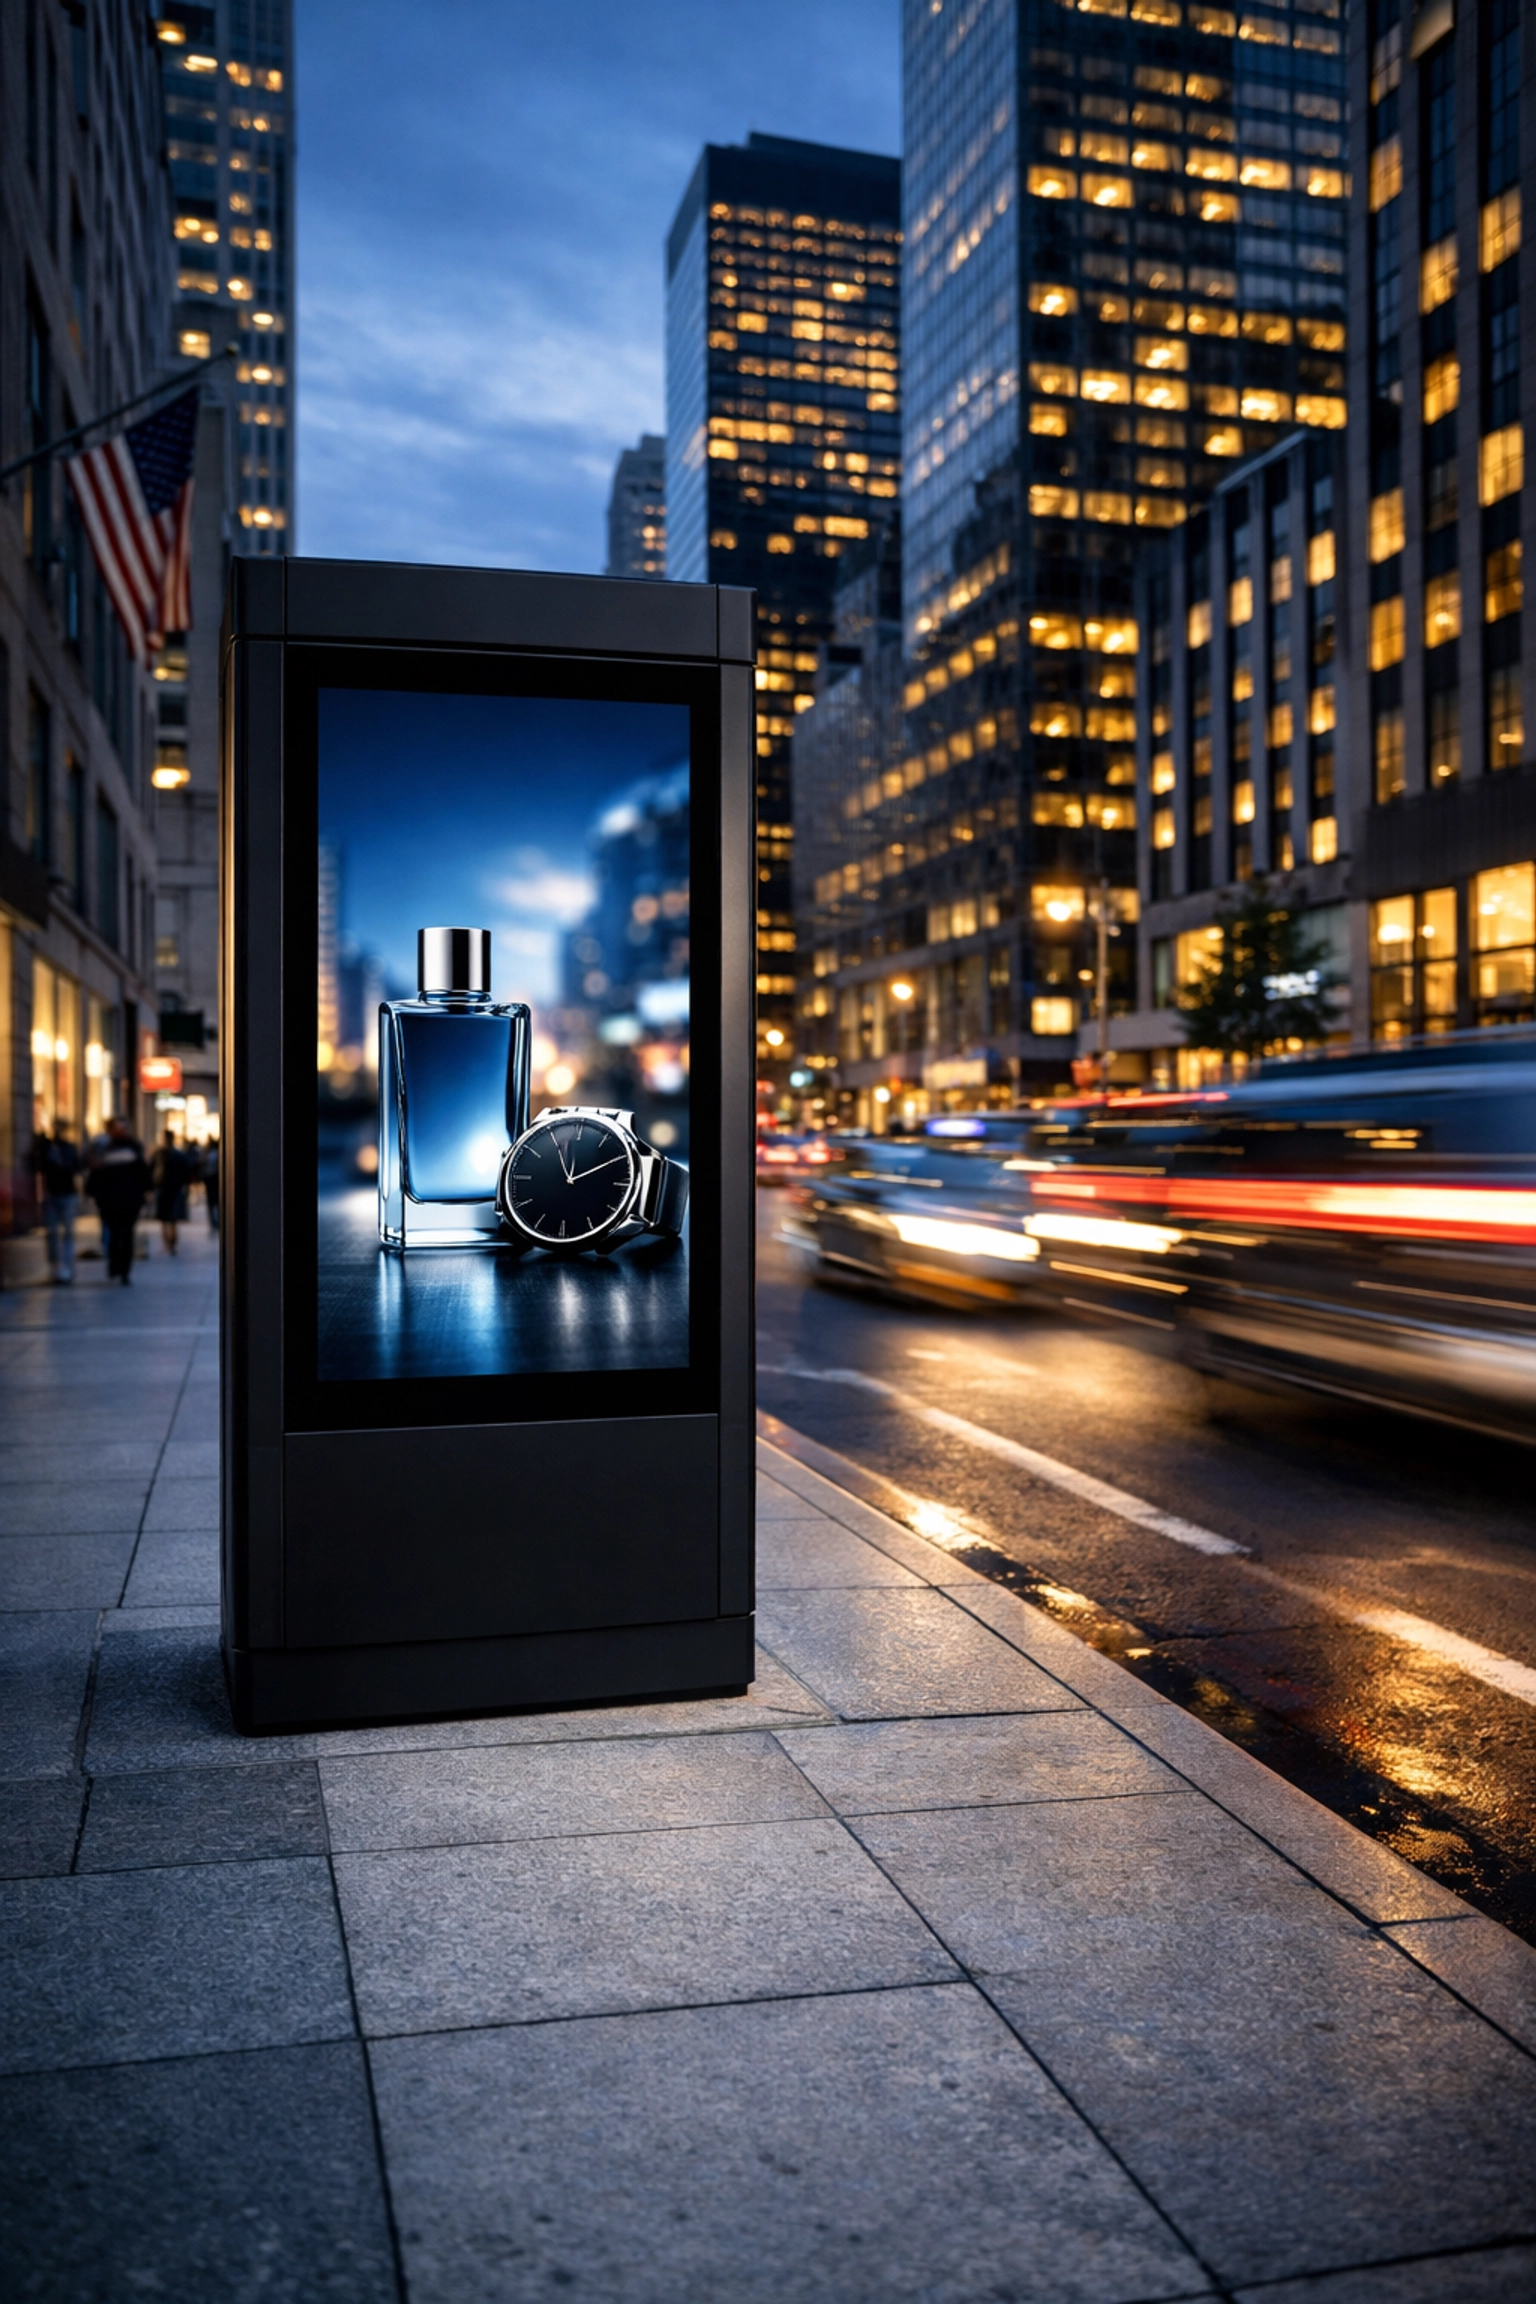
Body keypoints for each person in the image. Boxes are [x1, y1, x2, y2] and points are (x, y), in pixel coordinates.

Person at [86, 1119, 151, 1284]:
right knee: (116, 1234)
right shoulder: (106, 1148)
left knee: (125, 1234)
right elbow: (96, 1173)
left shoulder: (132, 1148)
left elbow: (143, 1174)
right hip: (111, 1200)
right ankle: (116, 1267)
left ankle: (123, 1270)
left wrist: (145, 1192)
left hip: (128, 1200)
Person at [33, 1123, 82, 1284]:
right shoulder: (45, 1149)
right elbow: (37, 1166)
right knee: (52, 1232)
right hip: (51, 1193)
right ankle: (55, 1267)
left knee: (67, 1232)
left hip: (67, 1193)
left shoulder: (69, 1148)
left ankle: (66, 1266)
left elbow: (76, 1166)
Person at [153, 1131, 196, 1255]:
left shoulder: (160, 1154)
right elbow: (187, 1171)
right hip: (173, 1188)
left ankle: (168, 1244)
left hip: (165, 1188)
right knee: (171, 1219)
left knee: (166, 1219)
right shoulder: (177, 1154)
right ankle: (170, 1244)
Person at [200, 1137, 220, 1231]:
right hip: (213, 1179)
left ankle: (214, 1221)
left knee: (212, 1202)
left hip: (211, 1179)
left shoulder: (208, 1154)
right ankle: (215, 1221)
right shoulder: (215, 1153)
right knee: (215, 1202)